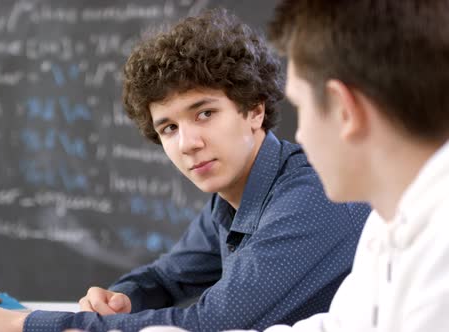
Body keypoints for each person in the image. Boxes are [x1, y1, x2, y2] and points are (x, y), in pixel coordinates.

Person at [0, 9, 370, 332]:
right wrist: (124, 297)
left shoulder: (311, 193)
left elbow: (209, 324)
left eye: (204, 113)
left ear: (254, 110)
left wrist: (22, 323)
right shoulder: (229, 201)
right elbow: (166, 276)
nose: (187, 142)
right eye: (168, 127)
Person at [142, 1, 449, 331]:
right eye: (169, 128)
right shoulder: (387, 224)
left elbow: (215, 321)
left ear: (344, 109)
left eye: (301, 107)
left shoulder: (439, 241)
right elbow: (338, 327)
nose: (299, 134)